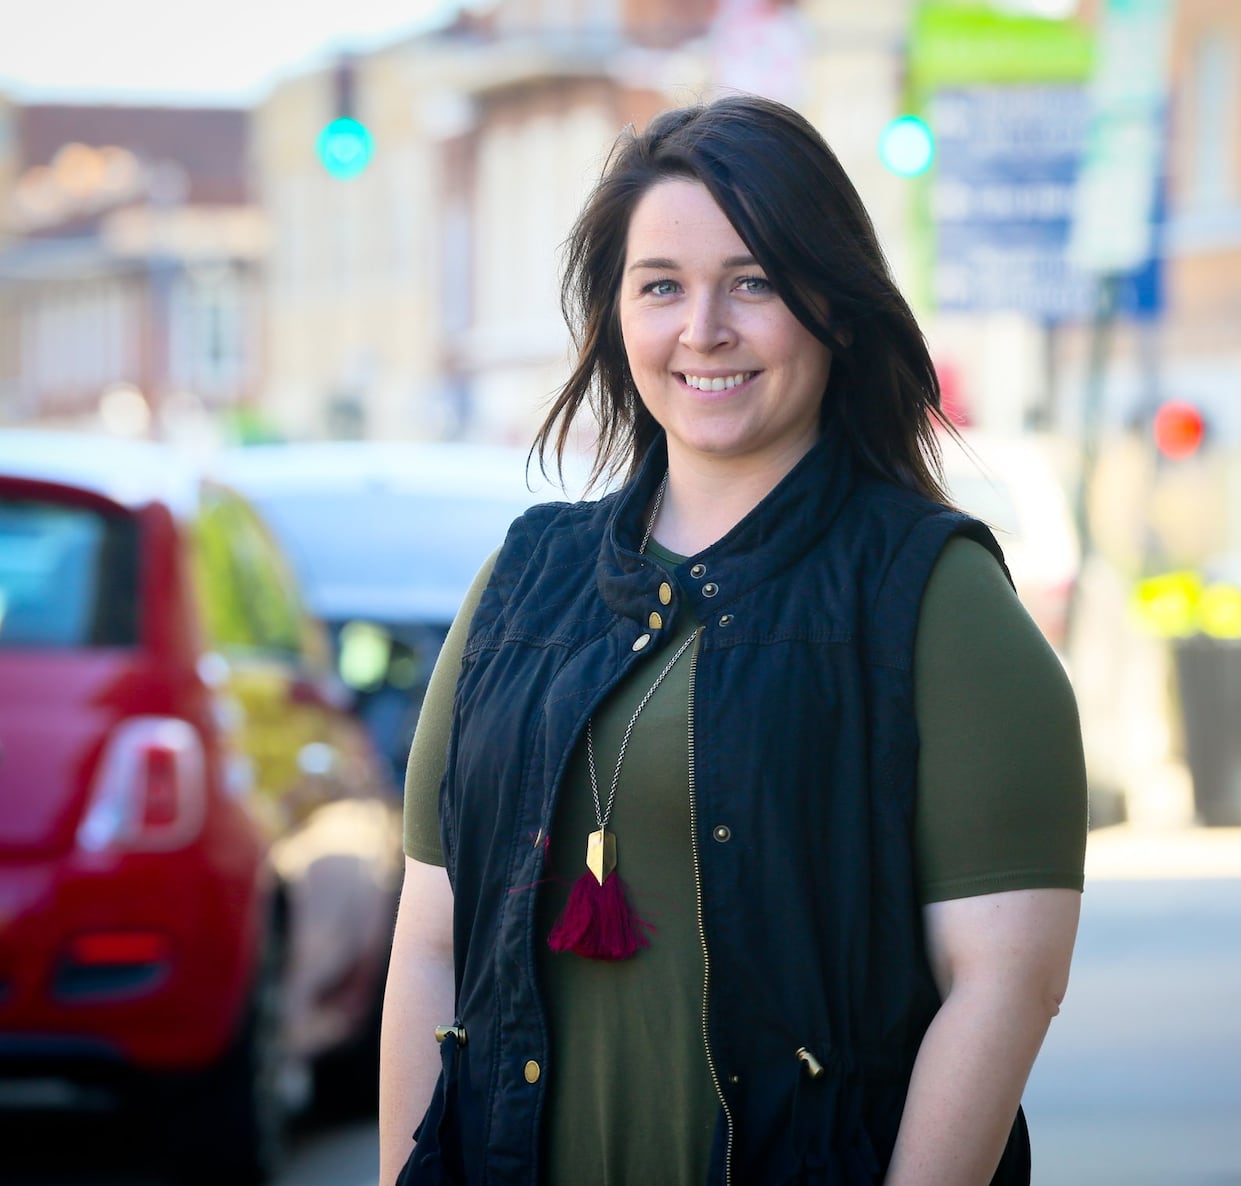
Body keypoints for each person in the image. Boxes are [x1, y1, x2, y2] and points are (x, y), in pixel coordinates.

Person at [378, 94, 1087, 1186]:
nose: (702, 328)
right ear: (616, 317)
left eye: (752, 282)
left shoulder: (933, 592)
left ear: (834, 308)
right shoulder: (521, 581)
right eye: (660, 285)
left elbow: (1006, 979)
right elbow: (431, 942)